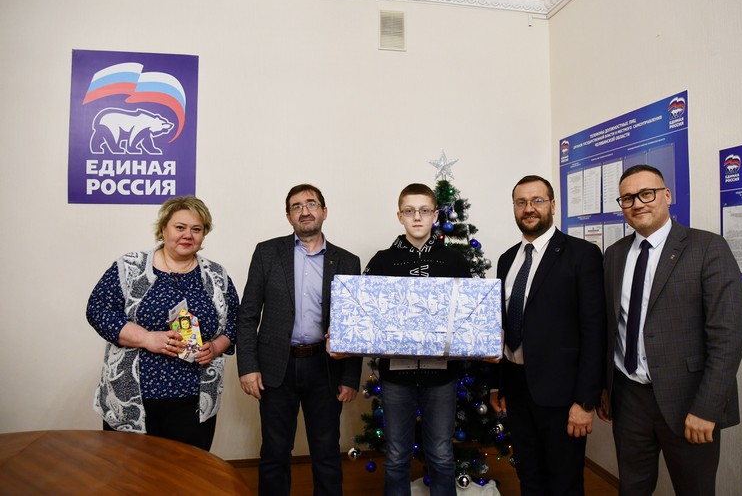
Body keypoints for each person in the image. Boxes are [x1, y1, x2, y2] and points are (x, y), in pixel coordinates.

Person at [597, 164, 742, 495]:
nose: (637, 203)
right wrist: (606, 387)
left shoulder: (707, 248)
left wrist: (706, 408)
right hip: (629, 398)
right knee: (632, 488)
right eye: (627, 198)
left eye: (646, 194)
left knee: (695, 489)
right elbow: (611, 327)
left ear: (667, 195)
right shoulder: (614, 255)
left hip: (688, 399)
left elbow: (728, 336)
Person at [236, 184, 362, 496]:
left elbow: (354, 324)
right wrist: (247, 367)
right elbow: (248, 314)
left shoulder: (347, 261)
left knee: (326, 452)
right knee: (275, 451)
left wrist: (350, 377)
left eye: (311, 204)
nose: (305, 211)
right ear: (289, 216)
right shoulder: (267, 253)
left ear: (324, 211)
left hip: (325, 367)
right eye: (296, 206)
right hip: (276, 368)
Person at [87, 195, 238, 451]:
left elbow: (236, 320)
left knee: (188, 470)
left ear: (203, 235)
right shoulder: (130, 267)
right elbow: (98, 310)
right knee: (129, 470)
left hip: (194, 400)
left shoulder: (216, 275)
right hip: (134, 397)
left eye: (196, 229)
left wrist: (216, 347)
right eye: (180, 227)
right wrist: (146, 338)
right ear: (163, 229)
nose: (187, 235)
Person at [490, 175, 606, 495]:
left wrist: (585, 401)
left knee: (564, 483)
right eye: (521, 202)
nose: (529, 208)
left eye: (537, 201)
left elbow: (594, 330)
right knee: (529, 476)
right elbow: (502, 325)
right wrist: (499, 383)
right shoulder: (507, 259)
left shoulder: (582, 255)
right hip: (516, 388)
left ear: (553, 205)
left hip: (562, 395)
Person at [363, 183, 473, 496]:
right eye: (409, 211)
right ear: (399, 216)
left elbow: (469, 314)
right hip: (396, 376)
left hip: (441, 377)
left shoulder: (455, 261)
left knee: (441, 454)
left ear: (435, 216)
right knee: (397, 455)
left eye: (424, 211)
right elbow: (366, 313)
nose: (417, 217)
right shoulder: (382, 261)